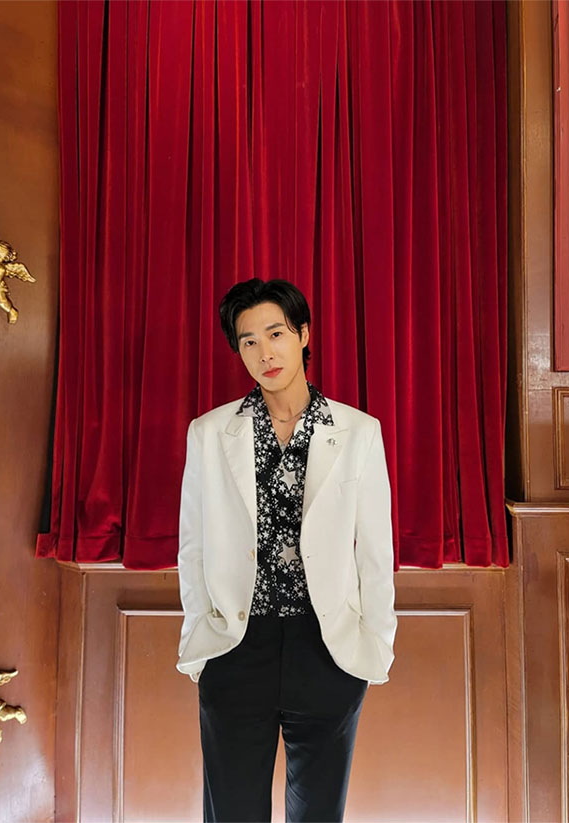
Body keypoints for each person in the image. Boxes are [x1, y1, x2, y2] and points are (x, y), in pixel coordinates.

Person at [176, 277, 397, 823]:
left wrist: (375, 645)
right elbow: (193, 546)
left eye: (275, 334)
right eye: (248, 340)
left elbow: (375, 551)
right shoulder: (210, 433)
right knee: (232, 812)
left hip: (327, 648)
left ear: (303, 335)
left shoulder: (358, 432)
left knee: (318, 813)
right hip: (235, 646)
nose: (264, 352)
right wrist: (200, 642)